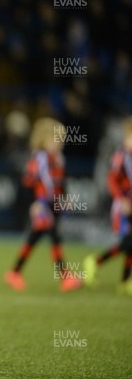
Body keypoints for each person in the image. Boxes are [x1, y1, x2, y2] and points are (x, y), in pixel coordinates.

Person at [4, 117, 82, 292]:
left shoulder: (59, 159)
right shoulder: (38, 160)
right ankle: (64, 276)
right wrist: (34, 204)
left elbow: (60, 183)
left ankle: (14, 272)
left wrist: (65, 198)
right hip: (41, 205)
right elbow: (27, 185)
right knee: (54, 236)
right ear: (44, 140)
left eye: (61, 139)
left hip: (53, 205)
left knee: (34, 238)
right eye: (56, 139)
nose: (59, 143)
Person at [84, 117, 132, 295]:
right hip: (123, 206)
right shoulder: (121, 156)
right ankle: (96, 261)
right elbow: (112, 179)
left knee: (129, 244)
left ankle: (125, 281)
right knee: (128, 242)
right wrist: (121, 199)